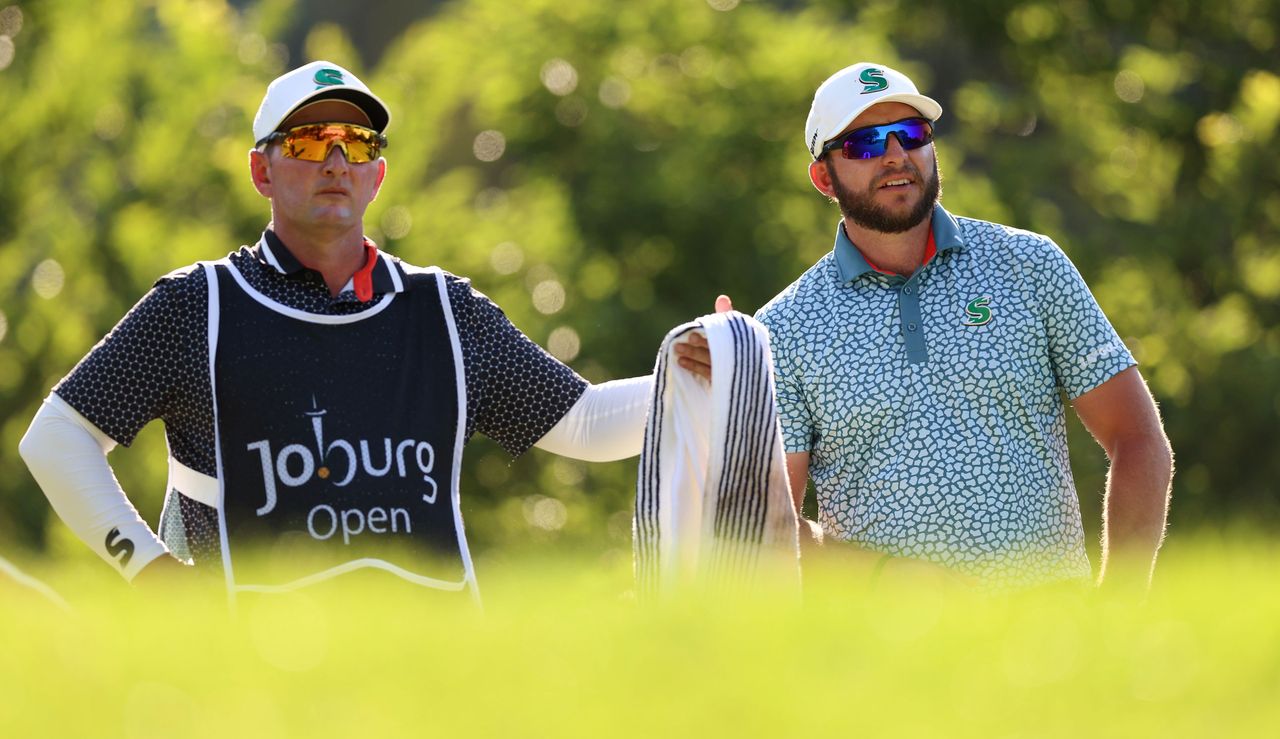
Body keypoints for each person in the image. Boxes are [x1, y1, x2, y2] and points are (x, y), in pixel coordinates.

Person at [19, 61, 717, 597]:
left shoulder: (444, 310)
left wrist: (701, 373)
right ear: (262, 170)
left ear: (377, 175)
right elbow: (56, 437)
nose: (333, 160)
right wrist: (145, 567)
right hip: (257, 669)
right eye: (308, 139)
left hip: (434, 664)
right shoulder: (197, 306)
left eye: (354, 142)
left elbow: (586, 423)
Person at [753, 62, 1173, 589]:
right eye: (863, 145)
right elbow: (771, 528)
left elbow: (1138, 440)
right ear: (823, 177)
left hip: (1052, 637)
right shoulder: (781, 330)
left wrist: (1121, 605)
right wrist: (895, 582)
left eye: (910, 134)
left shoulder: (1030, 265)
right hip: (883, 650)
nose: (895, 156)